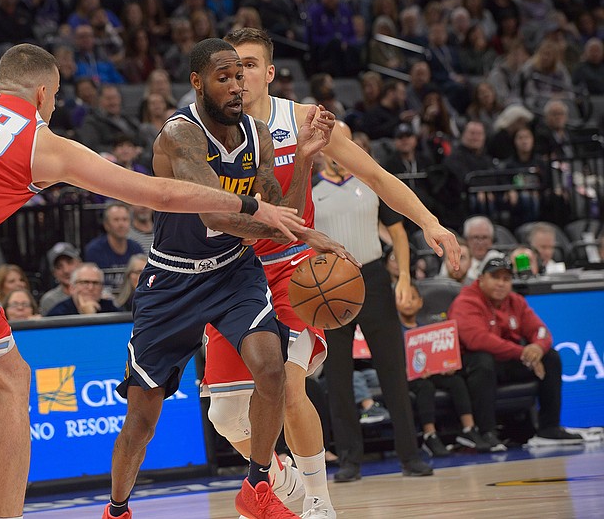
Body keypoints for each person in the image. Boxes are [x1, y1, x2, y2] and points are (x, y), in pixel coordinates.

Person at [0, 43, 303, 519]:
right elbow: (159, 195)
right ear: (43, 94)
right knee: (9, 381)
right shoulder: (41, 140)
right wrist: (249, 204)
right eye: (58, 97)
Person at [201, 28, 459, 516]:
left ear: (271, 73)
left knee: (289, 385)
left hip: (297, 272)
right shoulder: (209, 131)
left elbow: (378, 177)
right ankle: (284, 480)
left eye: (252, 65)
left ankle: (320, 501)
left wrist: (430, 222)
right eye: (233, 68)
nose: (241, 76)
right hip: (234, 276)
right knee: (225, 414)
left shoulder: (304, 120)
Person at [104, 37, 341, 519]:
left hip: (233, 272)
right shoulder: (179, 136)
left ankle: (257, 486)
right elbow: (217, 212)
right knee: (142, 419)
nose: (236, 87)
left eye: (240, 76)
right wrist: (303, 234)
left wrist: (305, 159)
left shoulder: (257, 134)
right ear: (197, 83)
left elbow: (286, 211)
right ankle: (118, 508)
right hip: (172, 283)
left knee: (271, 370)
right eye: (223, 77)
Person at [313, 148, 434, 482]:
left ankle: (410, 455)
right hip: (330, 283)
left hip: (374, 278)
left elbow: (397, 232)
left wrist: (405, 277)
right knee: (338, 376)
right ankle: (350, 460)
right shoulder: (309, 188)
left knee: (393, 370)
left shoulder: (371, 183)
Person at [448, 255, 584, 451]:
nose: (501, 284)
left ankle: (549, 427)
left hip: (506, 360)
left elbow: (541, 330)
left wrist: (537, 347)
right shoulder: (466, 301)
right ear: (481, 278)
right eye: (495, 277)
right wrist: (522, 352)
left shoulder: (515, 301)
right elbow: (477, 340)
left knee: (551, 357)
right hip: (473, 363)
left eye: (506, 279)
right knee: (482, 361)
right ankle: (487, 431)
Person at [397, 284, 489, 457]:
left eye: (413, 298)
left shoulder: (428, 329)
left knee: (456, 381)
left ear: (420, 302)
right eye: (403, 298)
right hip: (408, 376)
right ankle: (429, 434)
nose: (408, 302)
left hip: (430, 373)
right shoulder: (394, 331)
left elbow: (438, 355)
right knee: (425, 387)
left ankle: (468, 428)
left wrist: (446, 366)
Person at [84, 202, 145, 294]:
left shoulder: (136, 248)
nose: (121, 224)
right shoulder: (94, 250)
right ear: (106, 225)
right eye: (116, 220)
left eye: (125, 219)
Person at [45, 263, 120, 317]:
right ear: (72, 288)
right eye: (85, 282)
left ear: (102, 288)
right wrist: (88, 316)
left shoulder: (111, 309)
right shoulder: (58, 314)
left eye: (96, 283)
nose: (91, 288)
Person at [39, 242, 82, 315]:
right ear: (54, 273)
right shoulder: (49, 300)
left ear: (80, 263)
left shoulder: (94, 291)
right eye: (59, 266)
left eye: (70, 263)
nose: (66, 270)